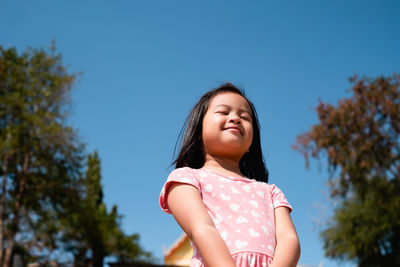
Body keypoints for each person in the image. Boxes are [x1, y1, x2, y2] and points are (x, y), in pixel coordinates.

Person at [159, 83, 300, 267]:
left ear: (252, 142)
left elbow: (289, 239)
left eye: (244, 117)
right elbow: (201, 228)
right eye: (223, 112)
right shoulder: (187, 178)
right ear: (199, 131)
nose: (235, 118)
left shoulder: (270, 192)